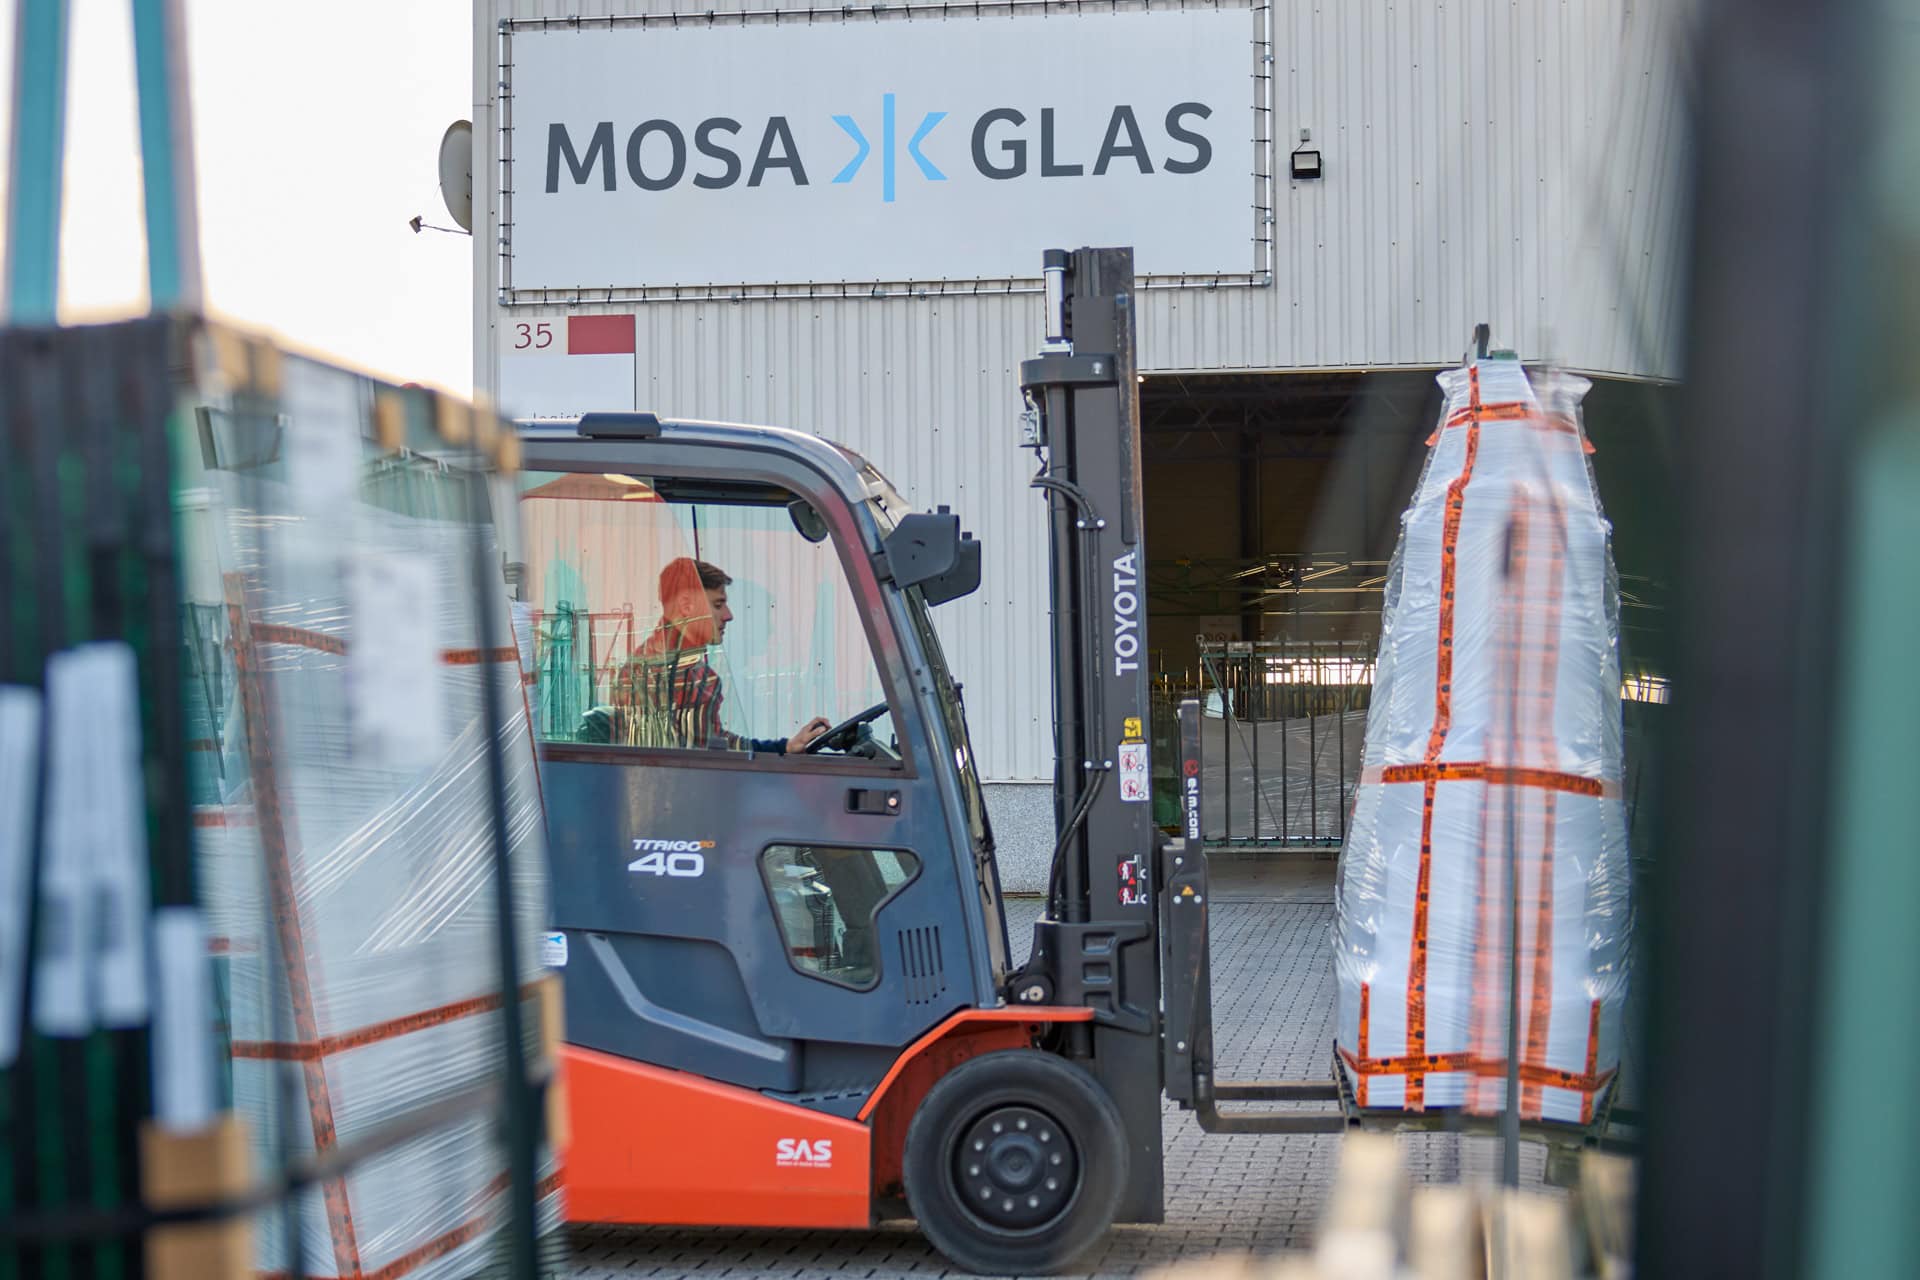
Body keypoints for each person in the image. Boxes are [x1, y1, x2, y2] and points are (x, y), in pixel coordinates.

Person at [589, 557, 830, 754]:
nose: (728, 615)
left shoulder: (696, 673)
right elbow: (676, 757)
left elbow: (711, 743)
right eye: (717, 605)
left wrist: (784, 747)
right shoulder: (652, 673)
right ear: (686, 606)